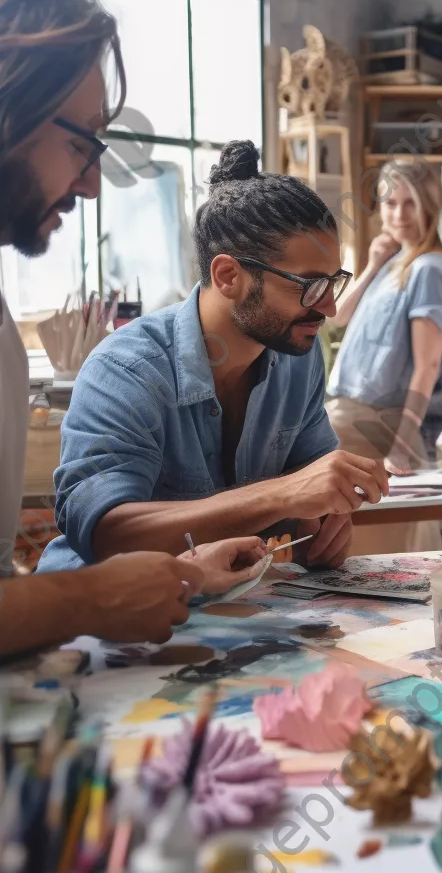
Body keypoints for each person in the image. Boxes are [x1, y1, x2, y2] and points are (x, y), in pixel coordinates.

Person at [0, 0, 277, 653]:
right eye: (80, 142)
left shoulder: (293, 364)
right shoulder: (130, 365)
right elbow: (103, 526)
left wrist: (180, 573)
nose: (92, 184)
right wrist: (84, 597)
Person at [37, 139, 390, 574]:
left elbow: (309, 486)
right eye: (309, 287)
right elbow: (107, 534)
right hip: (96, 622)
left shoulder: (298, 356)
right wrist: (283, 494)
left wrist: (321, 524)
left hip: (226, 611)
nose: (330, 308)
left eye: (334, 284)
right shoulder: (128, 370)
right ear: (228, 276)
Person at [325, 161, 442, 553]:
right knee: (358, 555)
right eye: (390, 203)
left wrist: (400, 446)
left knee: (378, 556)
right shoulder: (395, 264)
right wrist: (371, 265)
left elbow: (428, 365)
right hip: (351, 422)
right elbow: (336, 317)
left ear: (430, 207)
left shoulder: (430, 268)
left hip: (379, 428)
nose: (398, 214)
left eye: (409, 204)